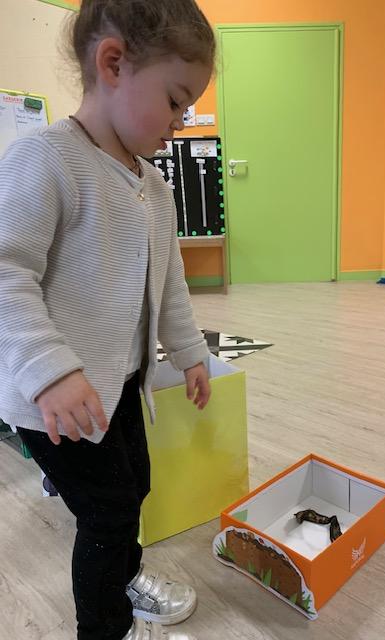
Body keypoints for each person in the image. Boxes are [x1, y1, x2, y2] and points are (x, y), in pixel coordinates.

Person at [0, 1, 216, 638]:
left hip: (119, 385)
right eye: (175, 101)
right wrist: (51, 371)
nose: (180, 122)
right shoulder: (45, 159)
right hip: (53, 399)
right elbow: (6, 271)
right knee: (107, 512)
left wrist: (189, 351)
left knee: (134, 488)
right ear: (113, 63)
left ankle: (125, 579)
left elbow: (168, 282)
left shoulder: (155, 187)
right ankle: (107, 627)